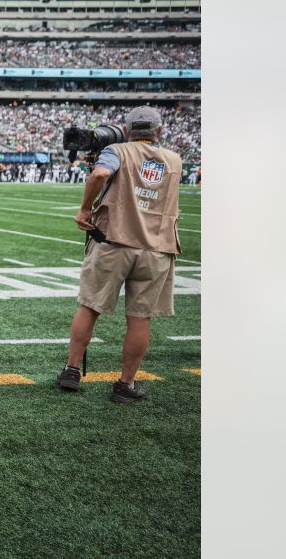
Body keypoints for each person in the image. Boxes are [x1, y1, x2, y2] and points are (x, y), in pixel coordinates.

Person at [57, 106, 182, 404]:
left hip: (113, 240)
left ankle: (72, 370)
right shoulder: (175, 159)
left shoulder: (117, 151)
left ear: (126, 131)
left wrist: (85, 208)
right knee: (140, 318)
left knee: (90, 306)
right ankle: (126, 384)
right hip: (157, 247)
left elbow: (101, 173)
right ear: (159, 131)